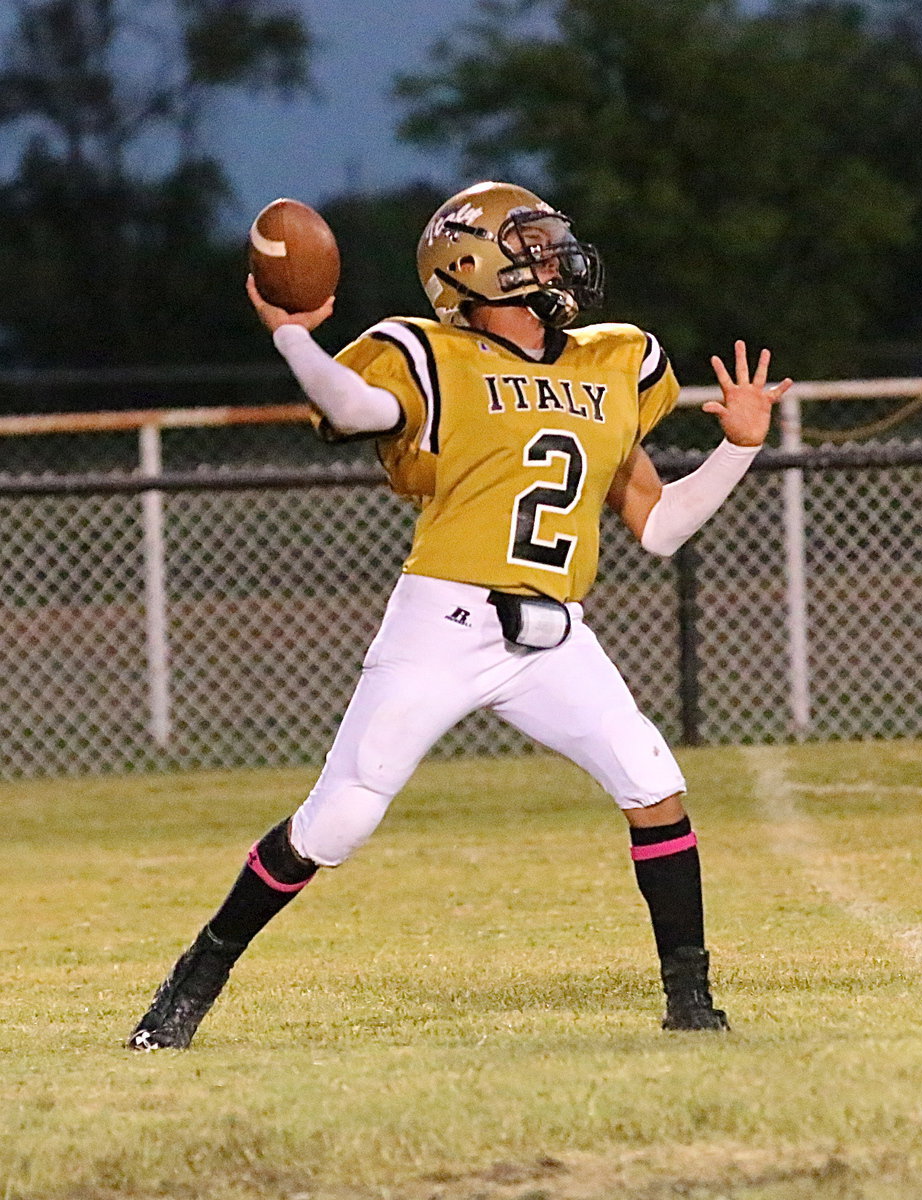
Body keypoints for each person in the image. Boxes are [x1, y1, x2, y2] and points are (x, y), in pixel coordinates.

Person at [128, 181, 791, 1051]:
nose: (554, 256)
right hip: (443, 621)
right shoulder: (425, 351)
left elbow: (661, 528)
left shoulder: (615, 359)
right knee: (339, 820)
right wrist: (293, 335)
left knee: (653, 784)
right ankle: (193, 981)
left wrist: (738, 448)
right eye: (531, 242)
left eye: (549, 239)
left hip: (553, 632)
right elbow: (353, 408)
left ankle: (690, 1002)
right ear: (470, 263)